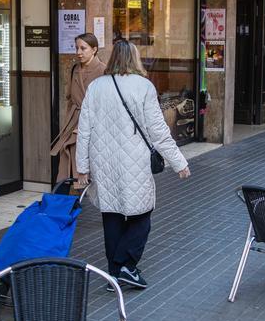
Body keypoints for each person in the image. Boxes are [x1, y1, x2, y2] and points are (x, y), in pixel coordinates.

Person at [75, 39, 190, 289]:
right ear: (134, 58)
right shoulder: (144, 87)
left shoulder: (96, 87)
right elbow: (158, 131)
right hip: (134, 162)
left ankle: (114, 274)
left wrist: (82, 167)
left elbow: (83, 130)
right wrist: (178, 162)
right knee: (142, 214)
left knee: (112, 215)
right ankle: (126, 266)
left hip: (102, 162)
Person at [50, 32, 105, 181]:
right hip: (74, 119)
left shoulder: (103, 70)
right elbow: (70, 98)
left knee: (85, 157)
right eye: (77, 48)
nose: (78, 52)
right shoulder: (75, 69)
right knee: (69, 155)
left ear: (94, 49)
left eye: (83, 48)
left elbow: (105, 105)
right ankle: (70, 194)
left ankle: (84, 193)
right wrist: (68, 120)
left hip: (92, 122)